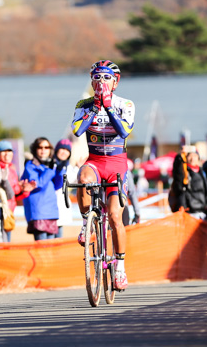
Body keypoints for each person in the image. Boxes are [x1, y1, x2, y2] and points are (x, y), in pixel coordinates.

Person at [71, 60, 135, 290]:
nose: (101, 82)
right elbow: (78, 130)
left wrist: (108, 107)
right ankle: (86, 221)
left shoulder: (125, 104)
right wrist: (95, 109)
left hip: (117, 164)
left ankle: (119, 267)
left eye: (106, 77)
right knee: (83, 180)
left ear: (115, 81)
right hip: (95, 161)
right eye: (96, 77)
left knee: (116, 217)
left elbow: (125, 130)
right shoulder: (84, 104)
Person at [20, 137, 61, 241]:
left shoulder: (51, 164)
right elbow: (39, 183)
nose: (43, 150)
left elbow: (57, 185)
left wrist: (61, 169)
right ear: (35, 149)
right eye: (40, 147)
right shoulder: (30, 165)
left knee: (51, 248)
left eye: (46, 147)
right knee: (42, 248)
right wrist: (51, 170)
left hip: (51, 210)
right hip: (38, 211)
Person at [0, 140, 33, 242]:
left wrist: (24, 190)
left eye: (9, 151)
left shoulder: (12, 170)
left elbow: (13, 196)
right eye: (3, 151)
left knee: (7, 244)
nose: (7, 154)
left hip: (9, 213)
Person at [171, 147, 207, 219]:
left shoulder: (202, 172)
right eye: (190, 156)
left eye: (195, 156)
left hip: (202, 211)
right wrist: (180, 157)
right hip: (189, 211)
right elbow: (177, 172)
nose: (192, 159)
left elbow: (206, 190)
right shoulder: (184, 171)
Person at [53, 139, 75, 238]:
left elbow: (71, 180)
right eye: (61, 149)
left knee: (58, 238)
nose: (64, 152)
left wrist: (78, 168)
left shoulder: (68, 167)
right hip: (50, 206)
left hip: (61, 207)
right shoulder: (51, 164)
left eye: (67, 150)